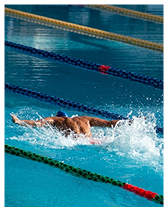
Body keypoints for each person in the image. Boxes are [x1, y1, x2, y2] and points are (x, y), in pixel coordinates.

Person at [10, 111, 120, 138]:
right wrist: (129, 123)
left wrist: (19, 121)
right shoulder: (85, 119)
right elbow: (109, 123)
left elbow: (36, 123)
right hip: (94, 142)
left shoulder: (57, 120)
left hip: (77, 143)